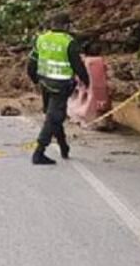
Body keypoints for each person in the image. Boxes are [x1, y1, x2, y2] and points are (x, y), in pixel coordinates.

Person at [26, 11, 91, 165]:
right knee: (53, 117)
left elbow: (31, 63)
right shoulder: (69, 42)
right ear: (66, 26)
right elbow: (78, 66)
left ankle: (63, 146)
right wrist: (87, 82)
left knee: (54, 115)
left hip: (44, 83)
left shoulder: (41, 39)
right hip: (61, 85)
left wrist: (35, 79)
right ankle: (39, 152)